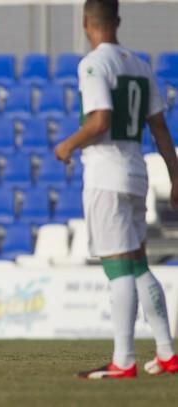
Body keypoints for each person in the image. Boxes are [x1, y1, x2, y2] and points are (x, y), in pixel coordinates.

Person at [54, 0, 178, 379]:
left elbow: (100, 120)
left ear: (84, 22)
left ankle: (123, 360)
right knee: (138, 264)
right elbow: (159, 129)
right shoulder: (140, 66)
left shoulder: (93, 63)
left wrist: (68, 145)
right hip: (136, 171)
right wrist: (176, 177)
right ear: (118, 21)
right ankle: (167, 353)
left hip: (107, 172)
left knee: (118, 268)